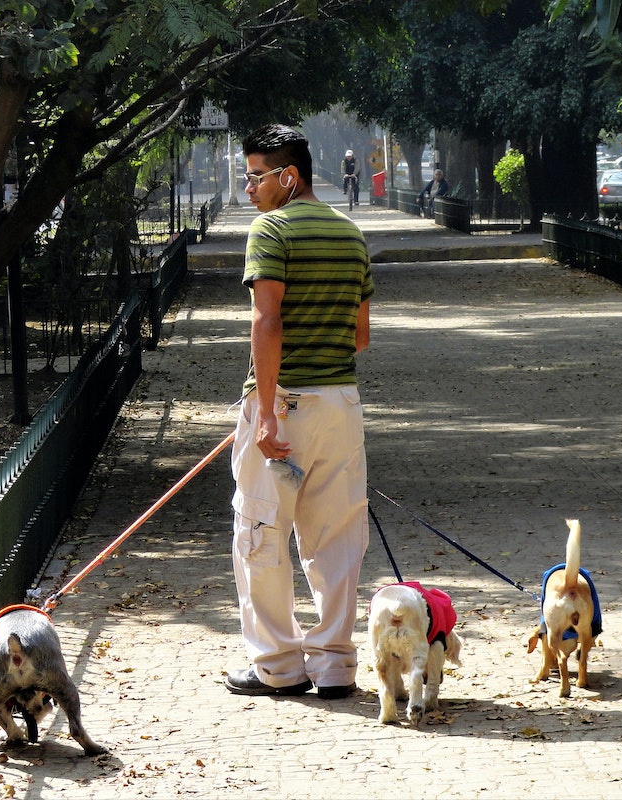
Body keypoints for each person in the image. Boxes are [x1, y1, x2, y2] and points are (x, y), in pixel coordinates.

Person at [225, 124, 374, 700]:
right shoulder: (351, 235)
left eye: (257, 176)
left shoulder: (272, 230)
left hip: (283, 404)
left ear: (290, 176)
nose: (249, 189)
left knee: (262, 530)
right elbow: (359, 335)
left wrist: (265, 413)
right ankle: (335, 663)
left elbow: (267, 320)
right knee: (337, 535)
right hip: (340, 404)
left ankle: (279, 666)